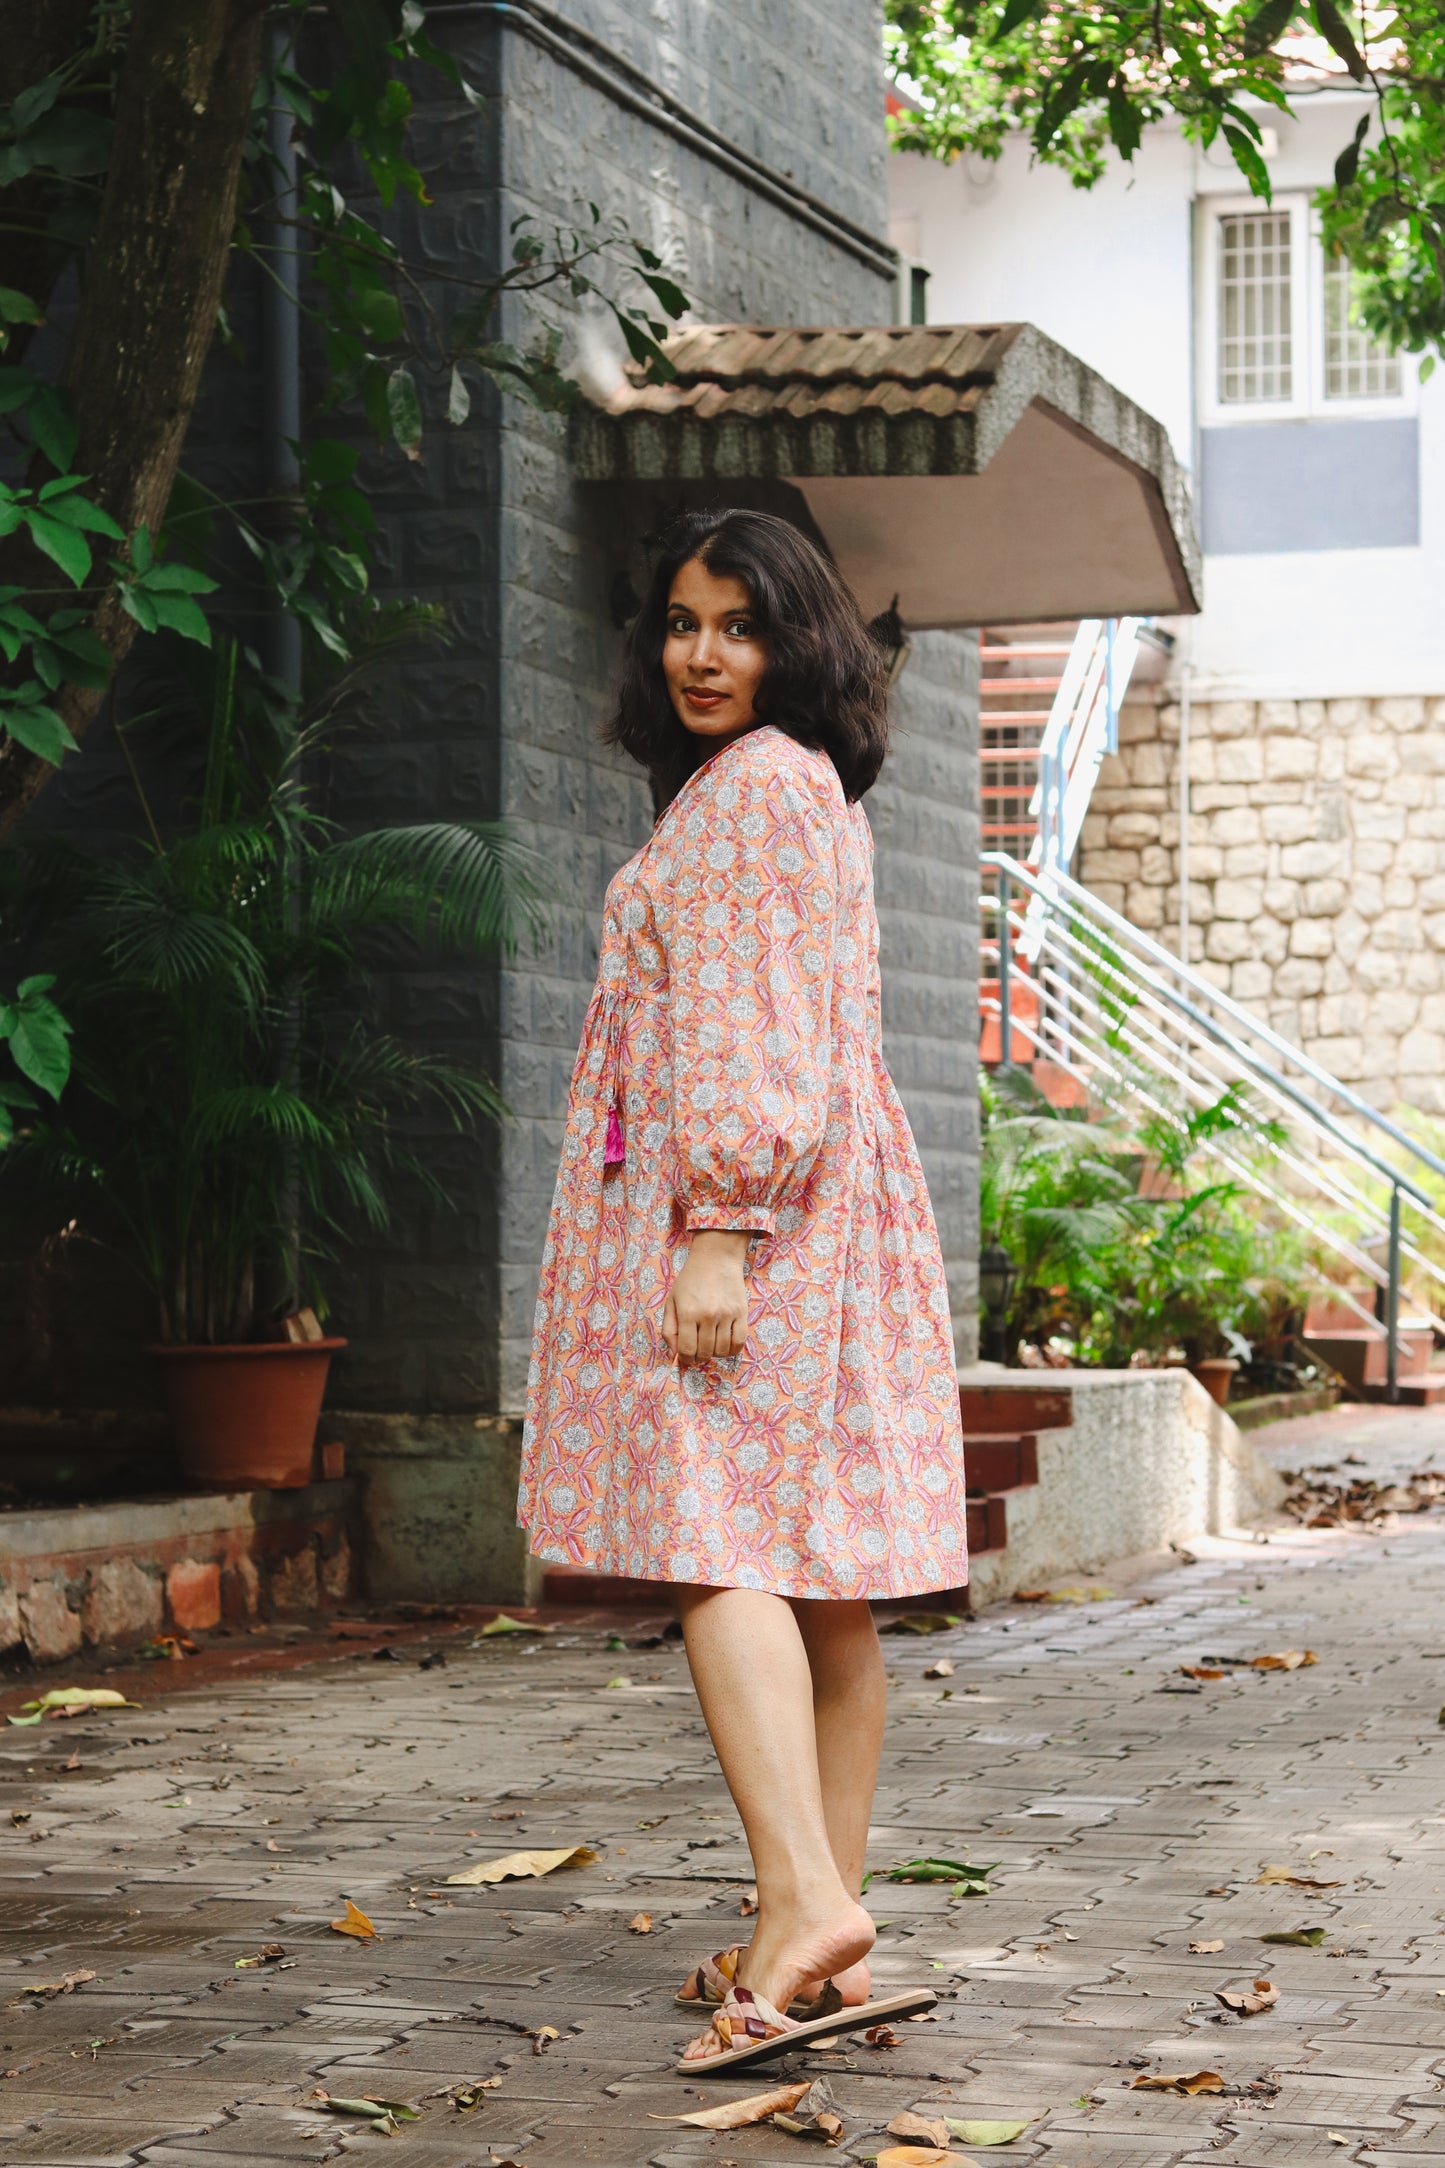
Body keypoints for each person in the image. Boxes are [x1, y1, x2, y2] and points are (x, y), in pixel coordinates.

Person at [517, 508, 968, 2070]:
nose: (703, 653)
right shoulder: (791, 789)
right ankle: (826, 1915)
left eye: (740, 625)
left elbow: (752, 1031)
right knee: (815, 1571)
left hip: (755, 1218)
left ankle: (798, 1903)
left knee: (715, 1543)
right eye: (682, 622)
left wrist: (718, 1223)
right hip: (815, 1214)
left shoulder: (754, 793)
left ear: (799, 643)